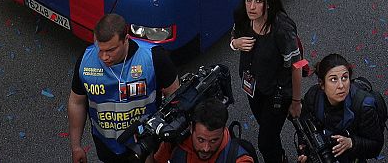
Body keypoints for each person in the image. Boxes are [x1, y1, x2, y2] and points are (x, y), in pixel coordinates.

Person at [68, 12, 181, 163]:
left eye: (110, 50)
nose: (103, 57)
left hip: (146, 147)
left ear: (126, 39)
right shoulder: (86, 60)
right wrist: (76, 146)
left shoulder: (154, 58)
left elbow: (176, 99)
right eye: (99, 49)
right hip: (107, 148)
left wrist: (165, 146)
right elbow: (77, 102)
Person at [229, 0, 303, 163]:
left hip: (277, 93)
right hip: (253, 88)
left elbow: (296, 66)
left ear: (268, 3)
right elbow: (233, 38)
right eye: (248, 0)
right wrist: (235, 44)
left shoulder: (282, 29)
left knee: (265, 142)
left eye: (258, 1)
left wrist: (295, 101)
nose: (251, 7)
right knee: (267, 131)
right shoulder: (243, 18)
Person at [295, 55, 386, 163]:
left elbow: (376, 146)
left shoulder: (363, 107)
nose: (341, 85)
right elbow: (304, 128)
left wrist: (352, 143)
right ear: (322, 84)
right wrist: (304, 151)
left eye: (344, 77)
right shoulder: (313, 96)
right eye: (333, 79)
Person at [155, 98, 261, 163]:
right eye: (201, 140)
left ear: (223, 131)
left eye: (213, 141)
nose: (206, 148)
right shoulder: (173, 144)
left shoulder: (239, 159)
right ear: (192, 129)